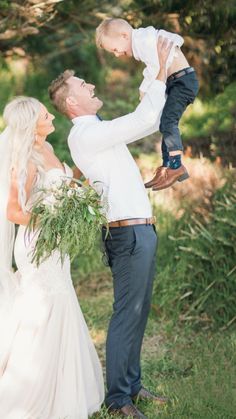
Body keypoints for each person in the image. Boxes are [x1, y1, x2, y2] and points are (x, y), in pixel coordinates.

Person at [48, 38, 171, 419]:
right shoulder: (84, 133)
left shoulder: (96, 130)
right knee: (126, 313)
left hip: (139, 229)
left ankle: (132, 385)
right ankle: (118, 399)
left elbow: (115, 172)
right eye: (84, 86)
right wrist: (161, 71)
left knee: (139, 311)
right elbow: (145, 120)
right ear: (72, 103)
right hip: (128, 234)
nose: (92, 87)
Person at [0, 97, 104, 419]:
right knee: (42, 308)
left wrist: (76, 190)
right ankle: (25, 392)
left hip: (55, 246)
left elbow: (57, 186)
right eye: (45, 113)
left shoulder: (48, 150)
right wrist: (53, 218)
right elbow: (15, 211)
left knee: (61, 302)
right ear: (33, 122)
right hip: (37, 246)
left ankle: (63, 385)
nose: (50, 115)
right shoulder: (26, 159)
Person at [96, 17, 199, 191]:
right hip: (176, 82)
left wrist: (144, 89)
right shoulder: (143, 39)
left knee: (168, 121)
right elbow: (165, 51)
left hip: (182, 82)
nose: (116, 54)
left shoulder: (143, 40)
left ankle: (176, 166)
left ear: (124, 36)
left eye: (115, 49)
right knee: (164, 123)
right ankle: (167, 166)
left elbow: (156, 67)